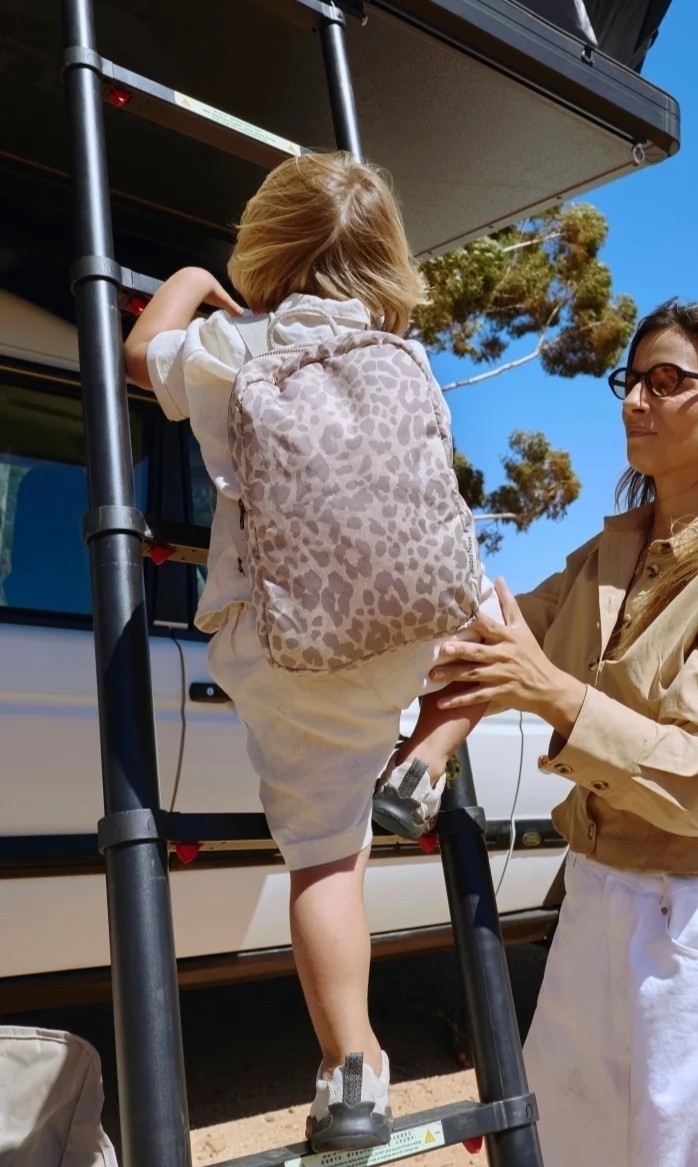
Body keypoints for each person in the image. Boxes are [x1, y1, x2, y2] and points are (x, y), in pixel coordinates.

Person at [122, 151, 497, 1152]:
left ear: (263, 250)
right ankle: (427, 754)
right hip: (411, 626)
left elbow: (138, 357)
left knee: (327, 859)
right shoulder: (404, 356)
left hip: (292, 646)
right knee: (499, 635)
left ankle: (352, 1066)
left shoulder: (233, 345)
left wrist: (191, 282)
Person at [428, 299, 698, 1166]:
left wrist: (554, 694)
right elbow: (492, 637)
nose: (634, 400)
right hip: (591, 909)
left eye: (666, 381)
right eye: (629, 380)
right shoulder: (606, 559)